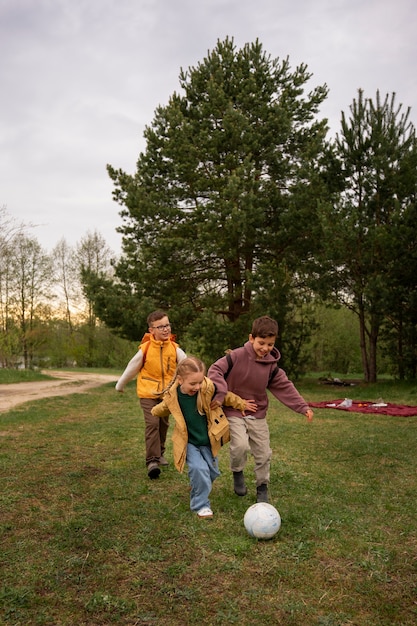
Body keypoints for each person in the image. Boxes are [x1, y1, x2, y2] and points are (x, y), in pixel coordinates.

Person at [208, 315, 313, 504]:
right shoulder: (236, 356)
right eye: (261, 342)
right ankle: (237, 472)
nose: (265, 348)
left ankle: (262, 486)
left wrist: (302, 407)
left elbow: (285, 386)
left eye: (270, 344)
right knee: (240, 446)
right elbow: (215, 371)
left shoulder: (271, 366)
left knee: (264, 453)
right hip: (234, 411)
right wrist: (222, 393)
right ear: (251, 338)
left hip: (257, 413)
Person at [151, 356, 257, 518]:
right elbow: (163, 408)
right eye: (193, 384)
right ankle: (201, 506)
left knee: (212, 473)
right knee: (199, 469)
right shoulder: (174, 398)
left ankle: (198, 486)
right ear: (180, 380)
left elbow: (226, 396)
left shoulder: (207, 389)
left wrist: (241, 403)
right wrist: (153, 411)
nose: (197, 386)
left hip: (208, 441)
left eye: (200, 382)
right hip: (189, 443)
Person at [116, 310, 186, 479]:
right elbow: (132, 367)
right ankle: (152, 461)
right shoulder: (145, 348)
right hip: (148, 392)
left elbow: (187, 365)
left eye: (167, 325)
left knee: (163, 424)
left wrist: (198, 382)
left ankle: (160, 453)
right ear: (151, 330)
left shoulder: (175, 349)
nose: (165, 329)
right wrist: (121, 384)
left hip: (167, 394)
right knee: (152, 423)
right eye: (160, 326)